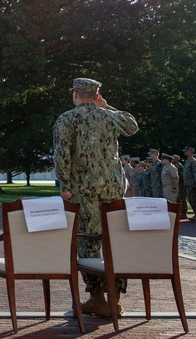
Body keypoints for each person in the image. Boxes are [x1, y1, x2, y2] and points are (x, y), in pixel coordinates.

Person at [52, 77, 138, 318]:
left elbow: (62, 154)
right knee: (114, 240)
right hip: (113, 187)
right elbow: (132, 126)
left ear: (76, 94)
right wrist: (107, 107)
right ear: (97, 95)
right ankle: (116, 300)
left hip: (84, 187)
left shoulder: (68, 118)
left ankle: (97, 298)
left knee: (88, 240)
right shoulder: (110, 116)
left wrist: (65, 185)